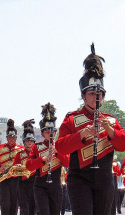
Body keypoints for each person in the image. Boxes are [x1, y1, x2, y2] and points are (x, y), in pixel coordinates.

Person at [56, 43, 125, 215]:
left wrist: (111, 132)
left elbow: (123, 145)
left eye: (99, 94)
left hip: (105, 180)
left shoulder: (111, 120)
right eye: (92, 94)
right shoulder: (71, 119)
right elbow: (60, 147)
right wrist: (81, 134)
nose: (96, 98)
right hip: (80, 179)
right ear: (83, 95)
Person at [26, 103, 69, 215]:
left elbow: (68, 163)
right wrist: (42, 160)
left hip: (55, 184)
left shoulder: (60, 145)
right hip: (40, 185)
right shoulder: (36, 146)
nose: (50, 134)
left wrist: (58, 152)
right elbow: (28, 165)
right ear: (42, 133)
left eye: (52, 131)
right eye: (47, 132)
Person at [0, 119, 24, 215]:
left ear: (16, 138)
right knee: (5, 202)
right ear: (6, 137)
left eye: (13, 137)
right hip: (4, 179)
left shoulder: (21, 149)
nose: (12, 139)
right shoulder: (0, 148)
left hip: (16, 179)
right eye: (10, 137)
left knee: (14, 203)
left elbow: (26, 162)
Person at [13, 119, 36, 215]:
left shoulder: (37, 153)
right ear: (24, 141)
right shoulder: (19, 155)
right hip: (23, 184)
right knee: (24, 208)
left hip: (35, 183)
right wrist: (17, 167)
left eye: (31, 140)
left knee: (34, 208)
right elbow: (13, 170)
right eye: (27, 140)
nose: (29, 142)